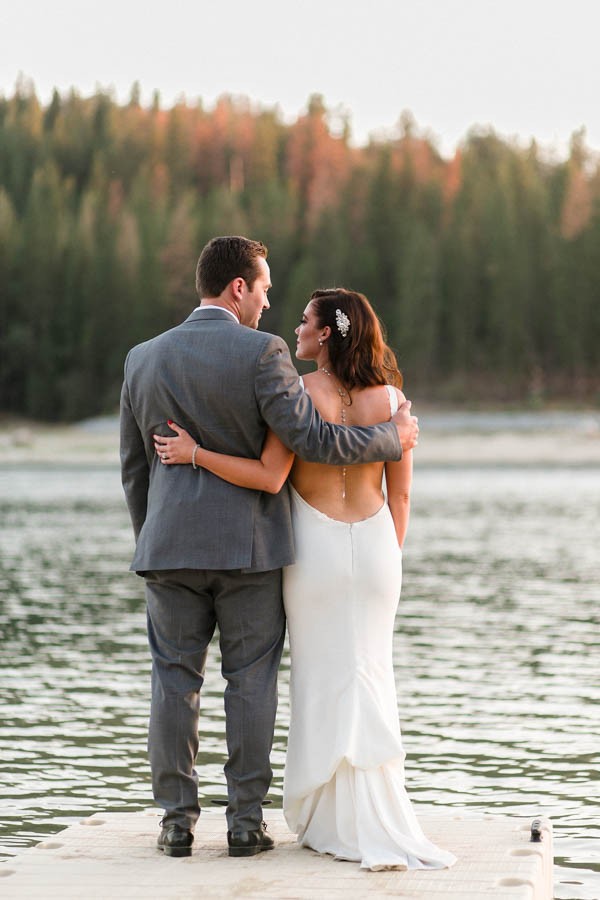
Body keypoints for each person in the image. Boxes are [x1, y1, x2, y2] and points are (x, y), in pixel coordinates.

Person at [120, 237, 419, 859]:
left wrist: (154, 534)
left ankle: (176, 824)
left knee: (173, 681)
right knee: (249, 682)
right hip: (249, 550)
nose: (266, 305)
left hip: (168, 547)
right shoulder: (264, 354)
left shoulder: (141, 359)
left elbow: (133, 469)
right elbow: (313, 438)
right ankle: (244, 824)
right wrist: (391, 439)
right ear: (238, 287)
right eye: (262, 290)